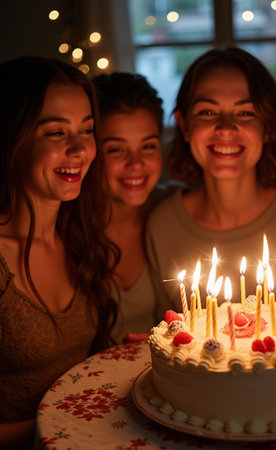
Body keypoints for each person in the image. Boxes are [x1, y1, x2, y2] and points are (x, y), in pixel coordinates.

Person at [146, 47, 276, 327]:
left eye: (245, 112)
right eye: (207, 111)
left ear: (269, 126)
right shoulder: (161, 227)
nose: (226, 127)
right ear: (184, 125)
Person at [0, 57, 118, 448]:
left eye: (87, 129)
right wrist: (65, 422)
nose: (79, 148)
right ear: (12, 138)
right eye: (55, 132)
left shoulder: (80, 239)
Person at [93, 72, 179, 343]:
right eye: (116, 150)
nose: (136, 164)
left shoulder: (174, 209)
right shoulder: (60, 227)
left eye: (148, 146)